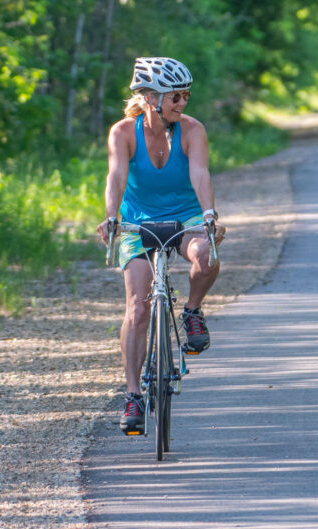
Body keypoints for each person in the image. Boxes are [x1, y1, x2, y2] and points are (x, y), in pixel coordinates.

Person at [97, 57, 226, 434]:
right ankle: (134, 394)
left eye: (186, 95)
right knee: (137, 307)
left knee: (206, 253)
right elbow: (116, 175)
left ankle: (192, 311)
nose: (183, 102)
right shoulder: (123, 132)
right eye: (176, 96)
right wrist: (110, 216)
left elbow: (200, 174)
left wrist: (209, 215)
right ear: (151, 97)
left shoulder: (192, 130)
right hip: (137, 221)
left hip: (184, 216)